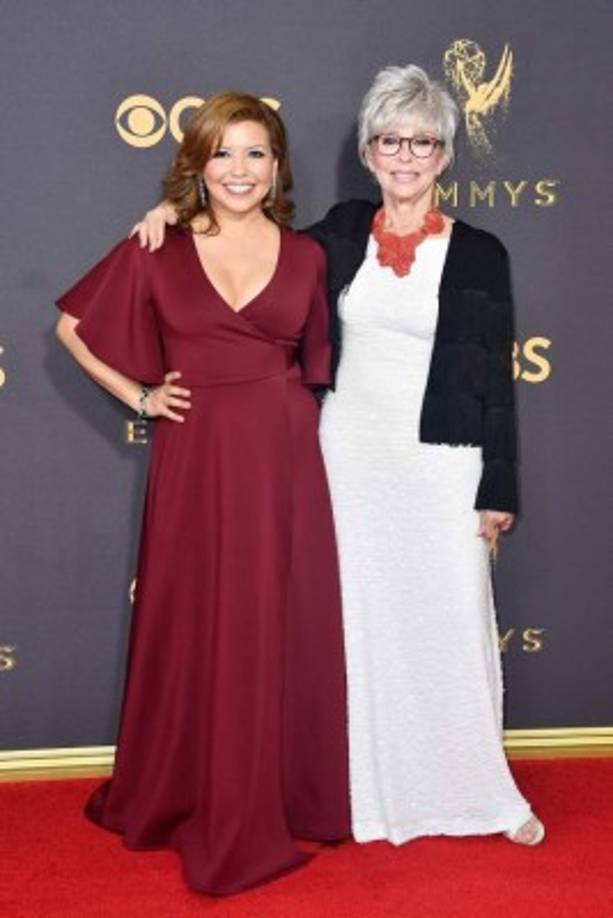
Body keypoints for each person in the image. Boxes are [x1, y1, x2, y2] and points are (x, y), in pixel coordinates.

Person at [135, 65, 544, 847]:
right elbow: (236, 227)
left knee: (452, 621)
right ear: (367, 150)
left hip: (442, 459)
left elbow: (496, 379)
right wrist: (171, 210)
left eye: (422, 141)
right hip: (346, 458)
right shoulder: (333, 235)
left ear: (444, 155)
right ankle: (358, 793)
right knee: (354, 628)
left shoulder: (482, 253)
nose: (405, 155)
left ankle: (478, 794)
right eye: (389, 139)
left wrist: (498, 485)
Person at [55, 91, 350, 896]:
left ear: (278, 165)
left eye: (256, 153)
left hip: (283, 456)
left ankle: (282, 792)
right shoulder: (157, 245)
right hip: (194, 456)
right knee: (195, 620)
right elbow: (72, 330)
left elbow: (314, 364)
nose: (240, 170)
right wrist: (142, 398)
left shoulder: (308, 255)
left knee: (275, 622)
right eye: (222, 153)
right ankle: (183, 789)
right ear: (198, 163)